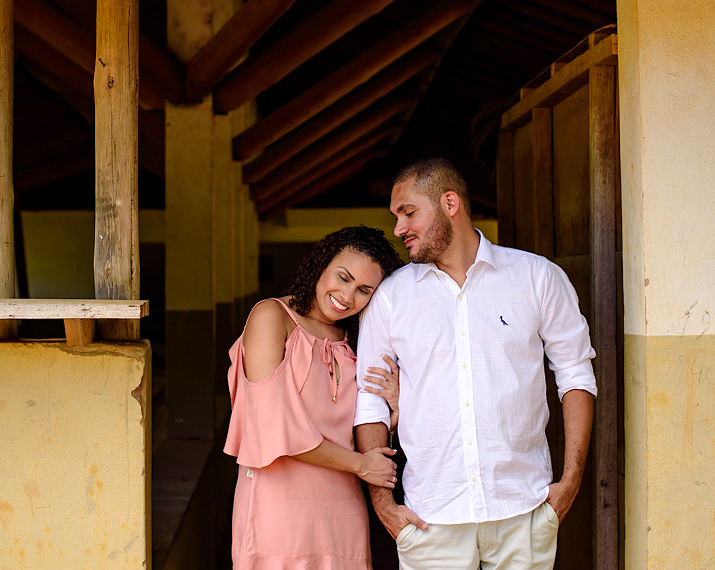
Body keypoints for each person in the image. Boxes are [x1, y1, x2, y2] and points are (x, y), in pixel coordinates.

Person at [354, 158, 597, 570]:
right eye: (396, 217)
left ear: (450, 203)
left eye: (409, 213)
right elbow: (370, 400)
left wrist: (570, 481)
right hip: (430, 518)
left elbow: (574, 374)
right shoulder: (391, 298)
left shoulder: (537, 277)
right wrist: (384, 505)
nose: (399, 229)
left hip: (524, 509)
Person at [225, 225, 404, 569]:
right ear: (321, 264)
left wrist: (394, 411)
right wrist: (362, 465)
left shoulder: (354, 342)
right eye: (343, 276)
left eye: (364, 289)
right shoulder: (272, 317)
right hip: (276, 509)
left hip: (342, 512)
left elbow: (353, 428)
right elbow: (273, 425)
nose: (348, 295)